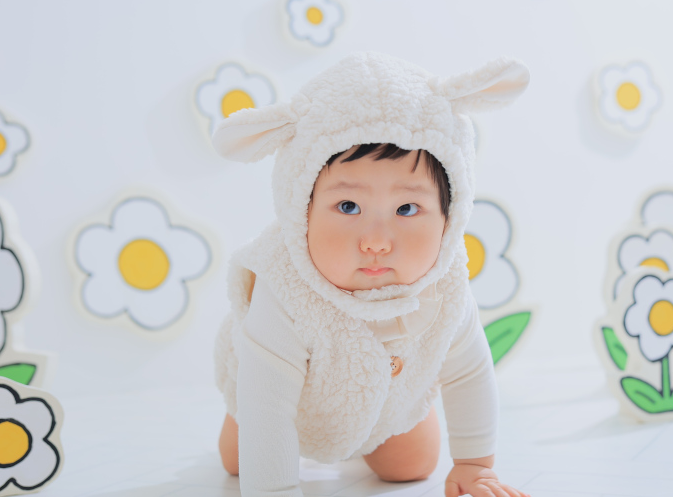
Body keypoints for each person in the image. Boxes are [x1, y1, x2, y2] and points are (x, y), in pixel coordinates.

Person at [212, 52, 530, 497]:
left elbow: (469, 373)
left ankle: (386, 429)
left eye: (407, 208)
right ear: (300, 210)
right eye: (348, 207)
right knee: (238, 460)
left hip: (387, 410)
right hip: (285, 405)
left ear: (450, 216)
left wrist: (475, 465)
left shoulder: (445, 284)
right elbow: (267, 402)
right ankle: (244, 429)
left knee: (413, 466)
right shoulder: (283, 287)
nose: (376, 241)